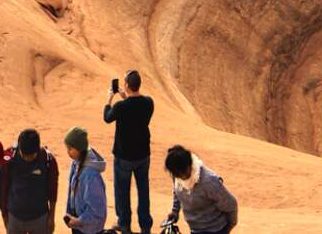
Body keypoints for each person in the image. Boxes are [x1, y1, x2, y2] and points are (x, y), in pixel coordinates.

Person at [103, 71, 154, 234]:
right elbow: (136, 109)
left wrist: (110, 98)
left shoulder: (120, 107)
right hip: (143, 155)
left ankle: (125, 226)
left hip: (124, 157)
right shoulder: (148, 103)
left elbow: (107, 117)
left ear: (126, 85)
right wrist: (125, 96)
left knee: (122, 192)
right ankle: (145, 227)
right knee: (143, 191)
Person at [162, 147, 236, 234]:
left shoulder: (209, 181)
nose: (181, 176)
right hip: (195, 229)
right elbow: (177, 190)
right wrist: (175, 212)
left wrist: (228, 228)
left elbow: (231, 205)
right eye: (177, 175)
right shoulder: (177, 176)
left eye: (183, 172)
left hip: (215, 230)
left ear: (189, 165)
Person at [2, 128, 60, 234]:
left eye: (31, 156)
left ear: (37, 149)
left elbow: (53, 190)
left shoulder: (48, 160)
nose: (27, 159)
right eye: (24, 155)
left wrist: (51, 217)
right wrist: (4, 214)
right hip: (15, 217)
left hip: (40, 217)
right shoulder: (9, 158)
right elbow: (3, 186)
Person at [62, 128, 107, 234]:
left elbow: (97, 211)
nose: (67, 152)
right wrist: (70, 215)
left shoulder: (90, 176)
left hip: (88, 229)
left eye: (70, 149)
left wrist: (79, 221)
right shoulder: (76, 164)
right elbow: (72, 192)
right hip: (78, 225)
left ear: (79, 149)